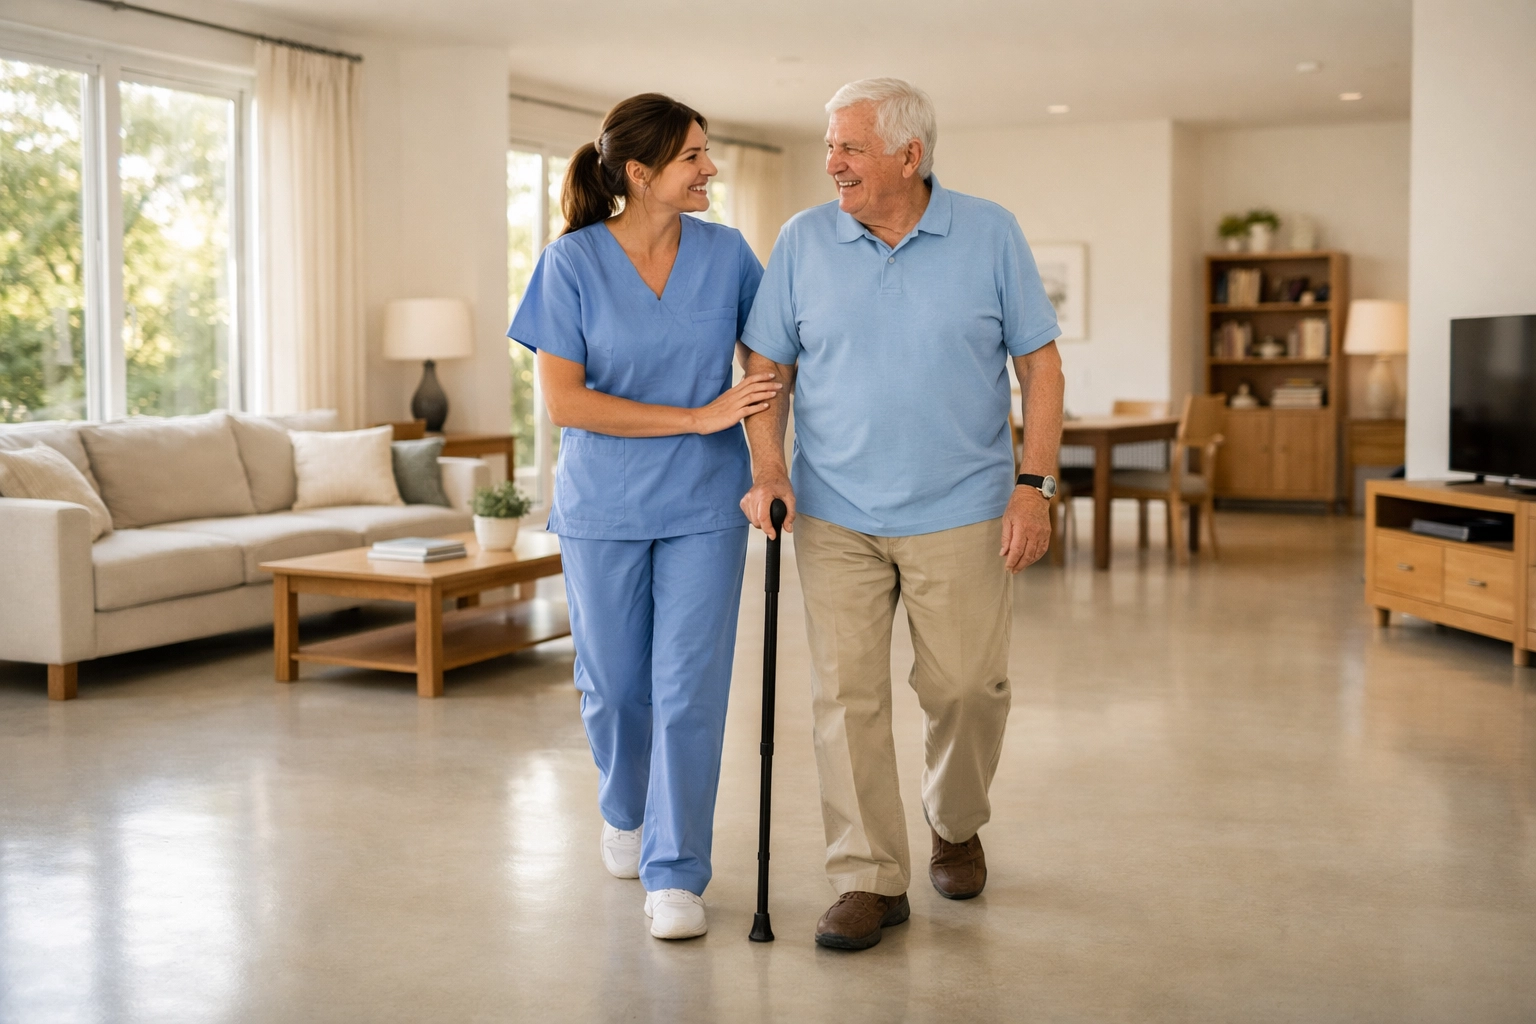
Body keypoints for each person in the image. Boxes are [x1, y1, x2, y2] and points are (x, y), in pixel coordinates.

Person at [739, 78, 1066, 950]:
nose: (832, 162)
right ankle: (867, 877)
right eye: (829, 144)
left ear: (909, 155)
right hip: (838, 512)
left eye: (849, 146)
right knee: (845, 698)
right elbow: (765, 370)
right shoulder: (803, 240)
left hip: (962, 508)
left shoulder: (988, 231)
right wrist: (769, 469)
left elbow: (1042, 369)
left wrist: (1033, 487)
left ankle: (954, 822)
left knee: (965, 688)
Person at [508, 93, 779, 940]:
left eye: (707, 152)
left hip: (706, 505)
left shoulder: (729, 254)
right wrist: (699, 417)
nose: (710, 169)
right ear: (639, 173)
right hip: (604, 506)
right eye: (694, 156)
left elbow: (765, 366)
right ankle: (625, 811)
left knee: (688, 690)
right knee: (616, 687)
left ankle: (676, 872)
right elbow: (566, 402)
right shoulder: (573, 263)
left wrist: (766, 461)